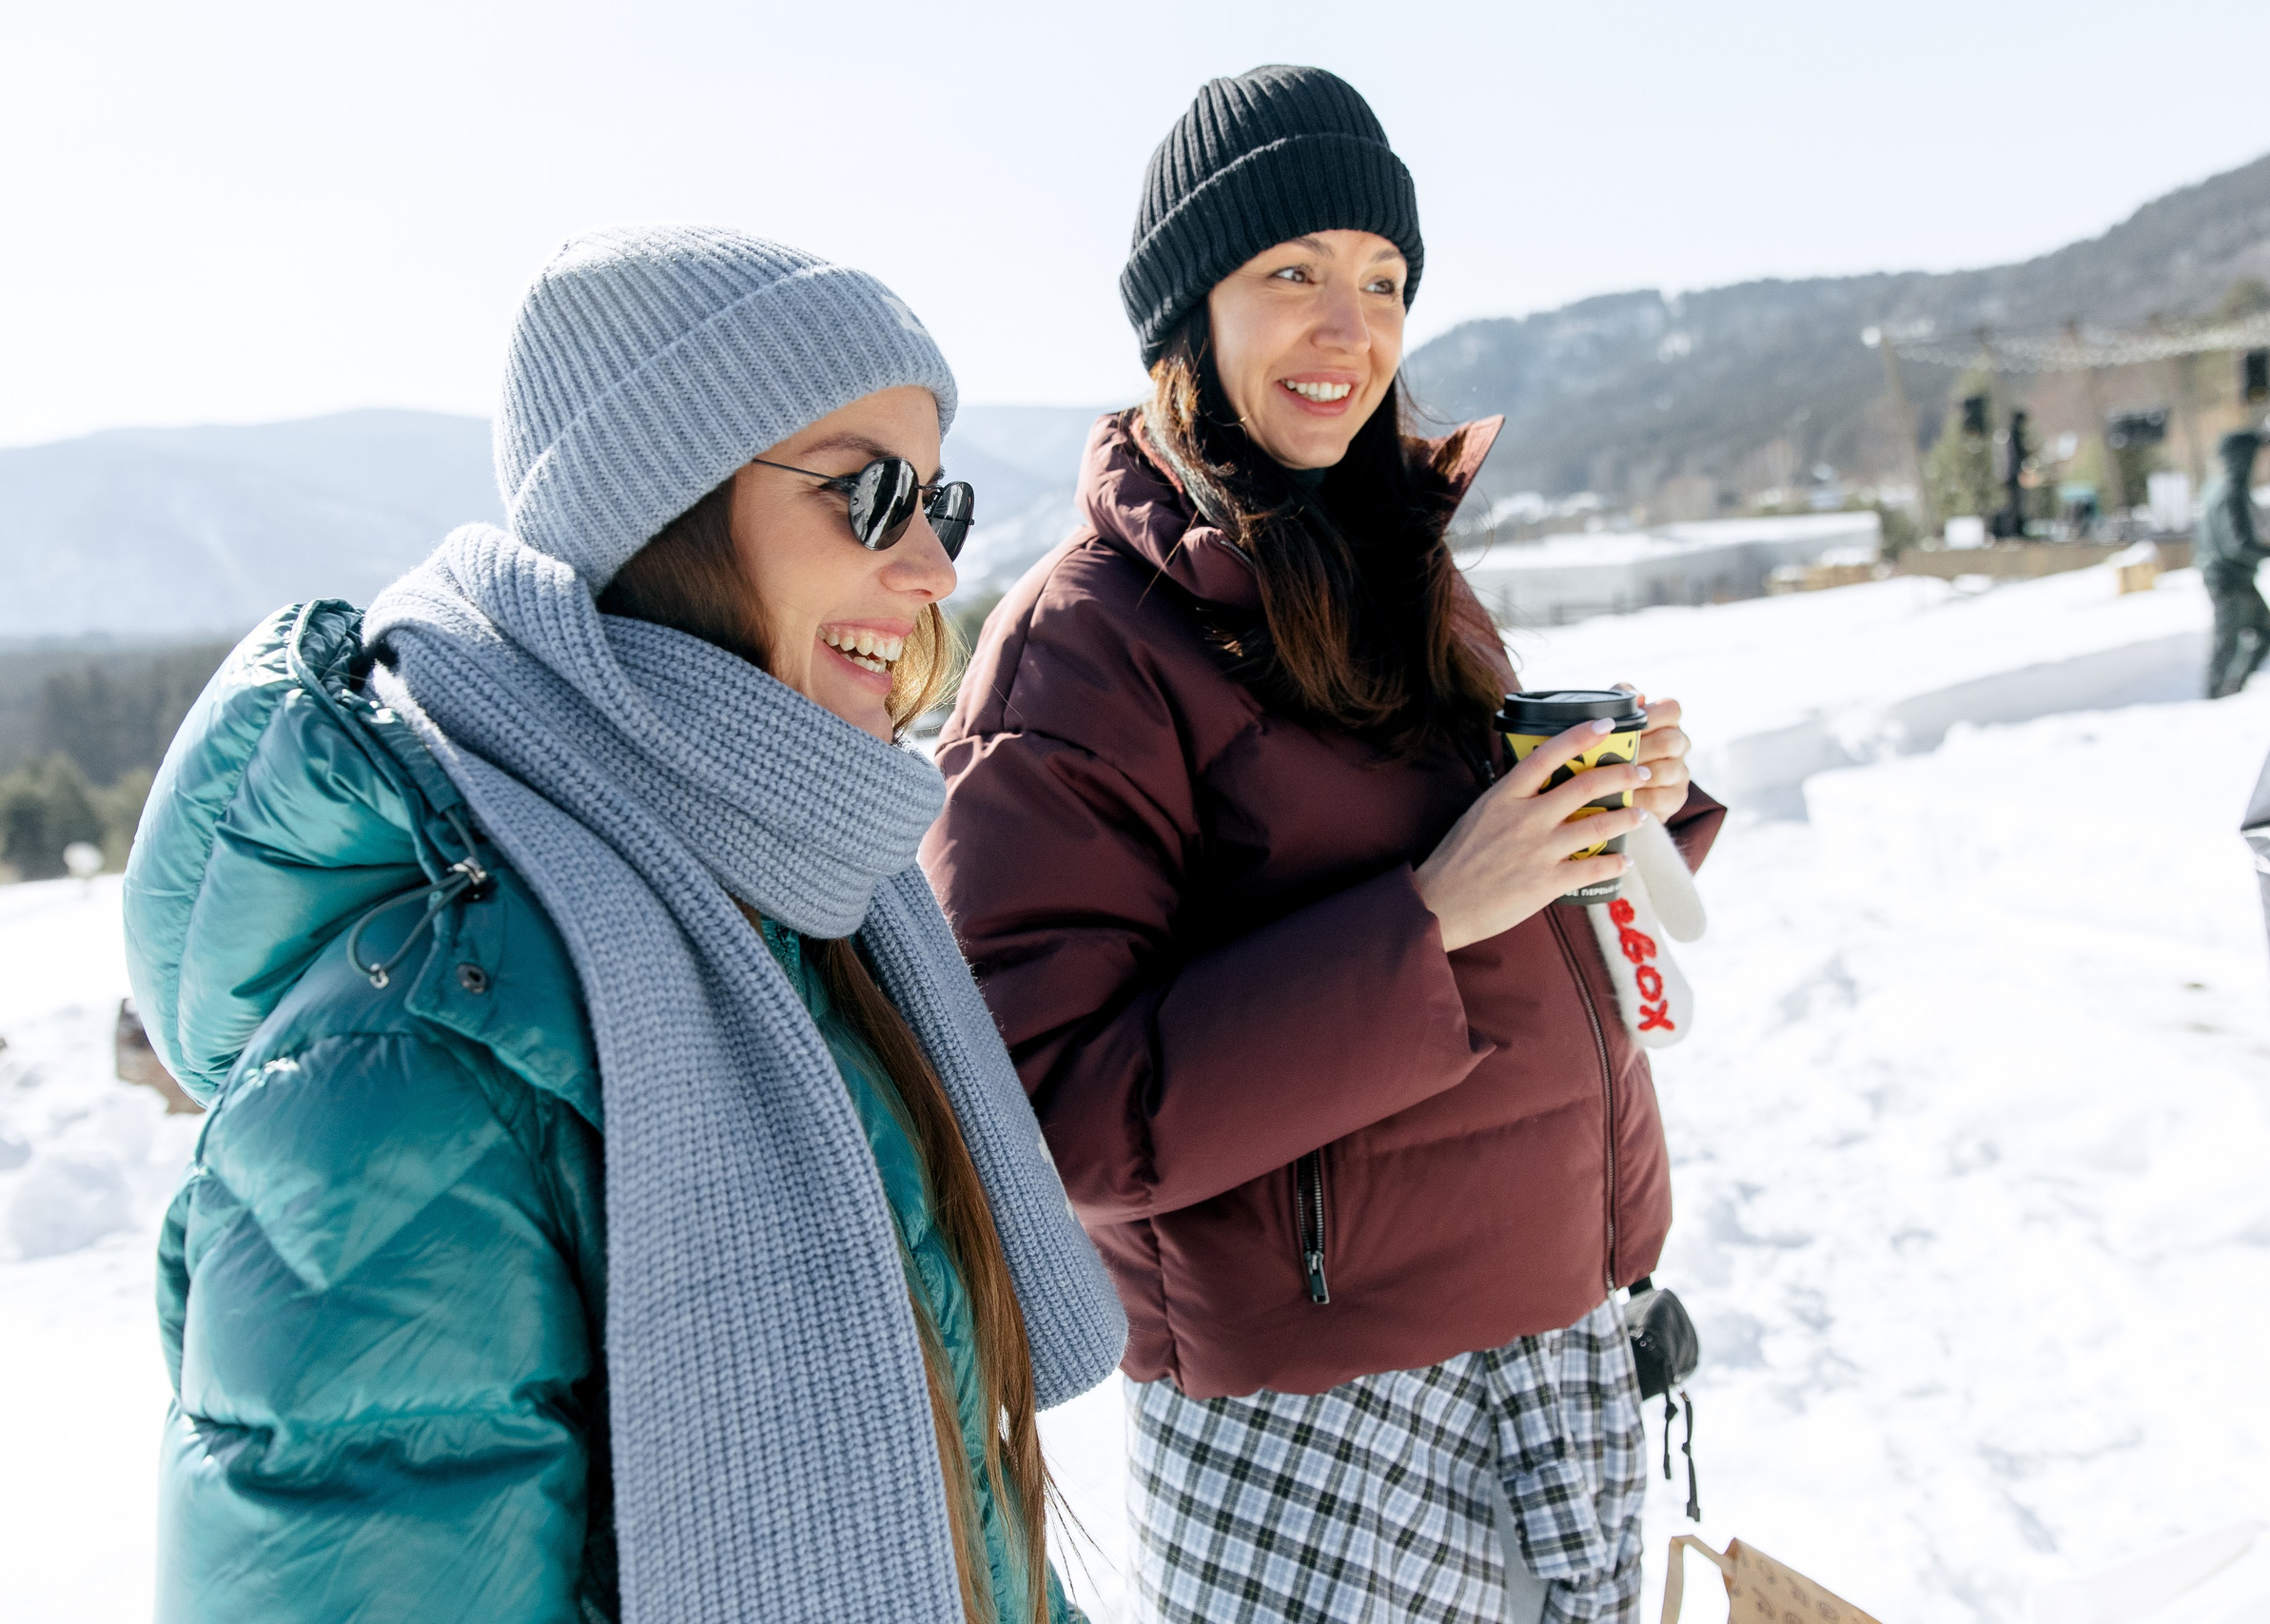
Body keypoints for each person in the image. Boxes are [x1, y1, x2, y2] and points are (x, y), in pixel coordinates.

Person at [125, 225, 1125, 1624]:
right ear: (656, 507)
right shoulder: (410, 1053)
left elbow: (949, 1516)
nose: (930, 571)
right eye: (867, 491)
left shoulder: (813, 916)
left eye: (940, 504)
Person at [921, 68, 1727, 1624]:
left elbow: (1515, 927)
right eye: (1292, 274)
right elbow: (1045, 1106)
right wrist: (1426, 916)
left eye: (1383, 280)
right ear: (1187, 317)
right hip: (1319, 1406)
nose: (1349, 328)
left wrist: (1612, 826)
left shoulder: (1402, 569)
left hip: (1559, 1336)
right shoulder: (1083, 648)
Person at [2199, 427, 2267, 698]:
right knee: (2226, 641)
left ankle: (2232, 687)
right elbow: (2236, 544)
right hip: (2227, 578)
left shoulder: (2226, 485)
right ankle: (2216, 696)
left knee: (2263, 630)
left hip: (2235, 576)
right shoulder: (2229, 490)